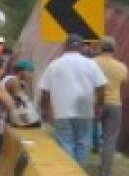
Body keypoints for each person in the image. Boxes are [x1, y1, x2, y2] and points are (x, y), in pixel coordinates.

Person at [37, 34, 107, 167]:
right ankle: (79, 174)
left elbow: (45, 92)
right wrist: (98, 106)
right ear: (82, 47)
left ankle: (68, 172)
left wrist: (45, 110)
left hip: (62, 110)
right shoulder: (91, 64)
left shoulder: (54, 65)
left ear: (64, 46)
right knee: (83, 142)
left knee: (65, 142)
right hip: (84, 109)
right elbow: (101, 88)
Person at [93, 36, 128, 176]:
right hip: (114, 104)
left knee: (84, 134)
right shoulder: (122, 66)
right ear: (114, 49)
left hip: (94, 103)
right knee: (110, 139)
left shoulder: (92, 63)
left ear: (100, 47)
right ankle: (104, 173)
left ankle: (77, 166)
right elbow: (123, 85)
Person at [2, 59, 40, 127]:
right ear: (22, 71)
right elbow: (21, 101)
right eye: (29, 72)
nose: (31, 75)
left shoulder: (9, 78)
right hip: (3, 116)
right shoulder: (15, 81)